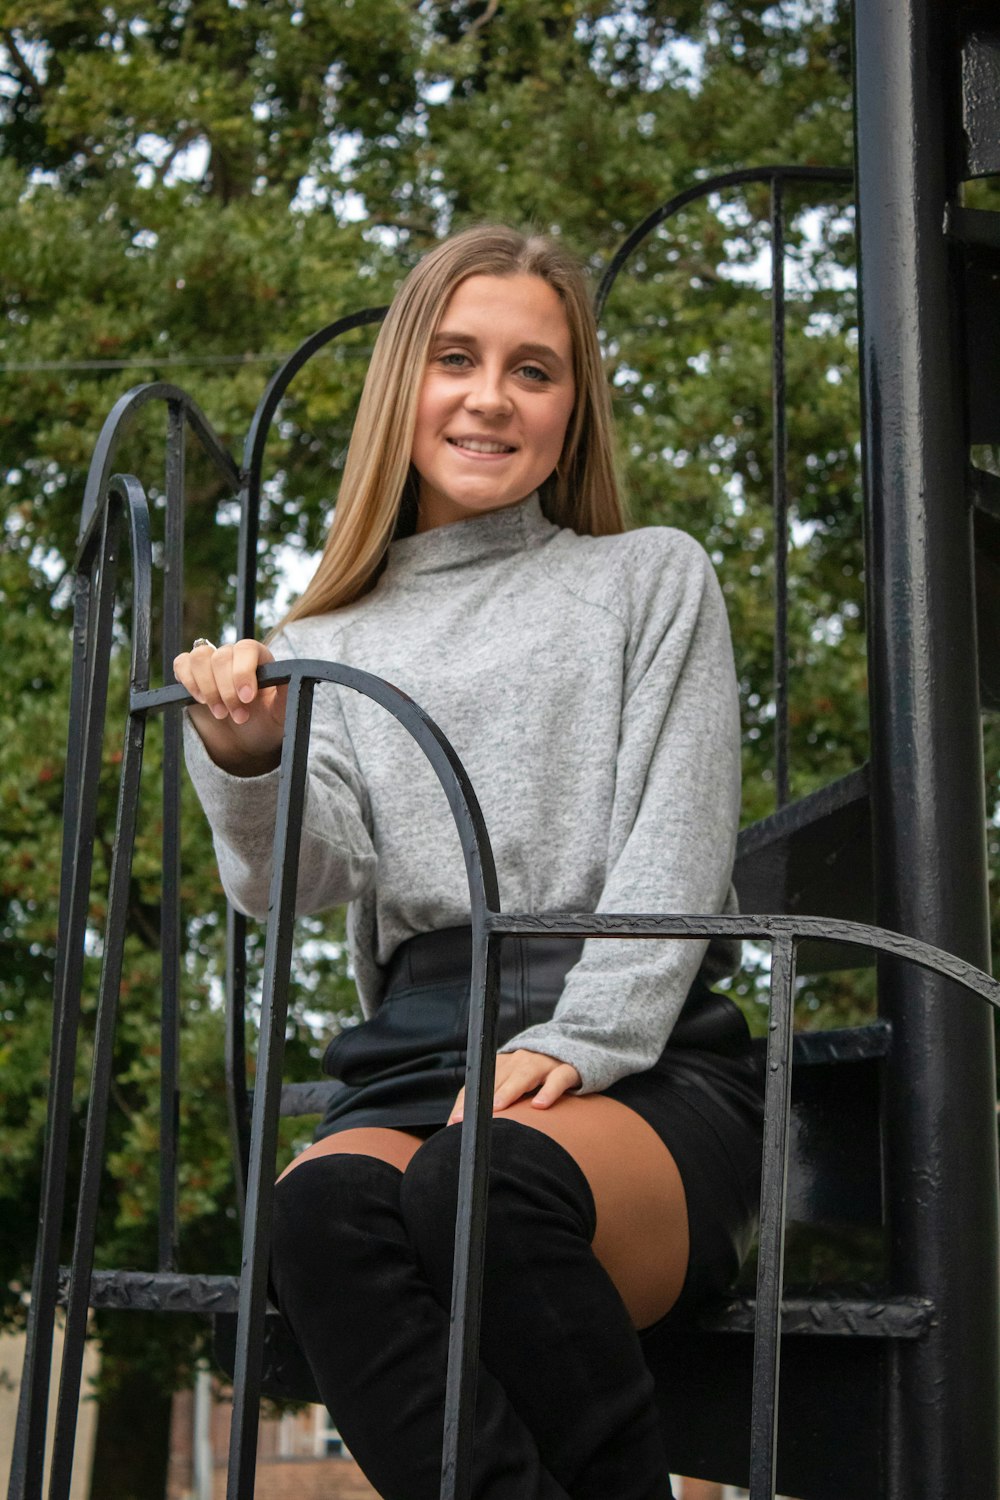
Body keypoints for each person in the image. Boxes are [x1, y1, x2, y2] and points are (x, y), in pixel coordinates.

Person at [175, 225, 764, 1500]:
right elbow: (294, 885)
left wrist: (586, 1036)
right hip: (417, 1053)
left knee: (478, 1184)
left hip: (637, 1055)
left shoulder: (648, 578)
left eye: (533, 369)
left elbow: (676, 830)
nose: (490, 396)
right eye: (456, 357)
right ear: (405, 383)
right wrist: (248, 758)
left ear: (572, 408)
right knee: (320, 1217)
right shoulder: (320, 635)